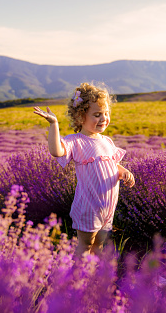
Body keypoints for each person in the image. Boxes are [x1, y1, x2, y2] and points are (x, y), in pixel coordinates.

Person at [33, 82, 135, 257]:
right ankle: (79, 276)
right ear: (81, 117)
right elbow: (56, 150)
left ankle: (92, 275)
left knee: (99, 244)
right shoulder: (76, 141)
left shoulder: (107, 141)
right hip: (89, 205)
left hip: (108, 206)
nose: (103, 118)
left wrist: (123, 171)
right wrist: (54, 125)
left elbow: (111, 164)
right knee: (86, 244)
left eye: (106, 113)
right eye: (97, 115)